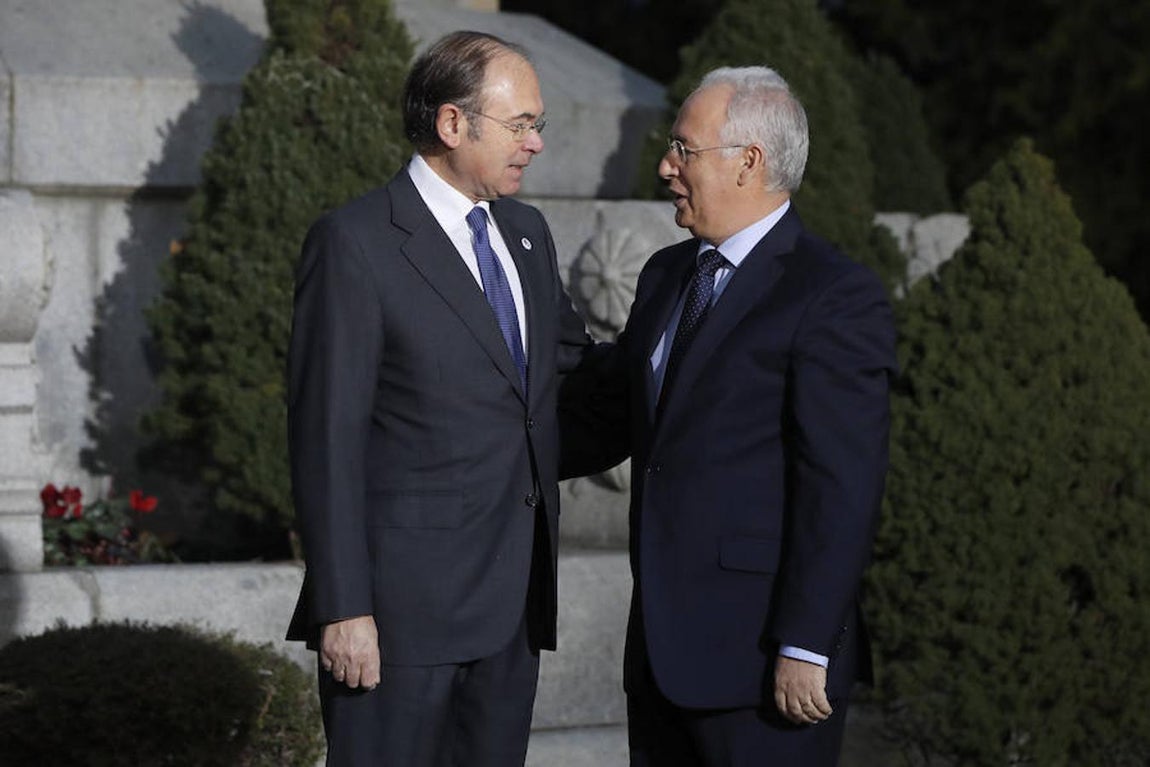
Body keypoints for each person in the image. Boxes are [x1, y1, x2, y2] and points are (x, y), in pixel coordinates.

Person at [565, 66, 897, 765]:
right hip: (658, 661)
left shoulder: (833, 295)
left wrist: (806, 642)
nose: (665, 165)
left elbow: (841, 482)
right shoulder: (663, 276)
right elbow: (615, 419)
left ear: (749, 162)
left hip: (766, 669)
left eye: (684, 148)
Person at [284, 30, 595, 767]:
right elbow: (326, 438)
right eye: (521, 125)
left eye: (538, 125)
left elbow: (567, 378)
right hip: (398, 625)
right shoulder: (355, 243)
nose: (536, 144)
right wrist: (344, 606)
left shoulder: (526, 233)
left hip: (512, 613)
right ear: (453, 124)